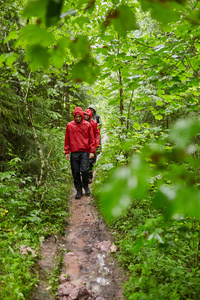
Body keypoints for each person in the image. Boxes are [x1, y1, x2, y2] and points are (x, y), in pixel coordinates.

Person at [64, 107, 95, 199]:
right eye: (76, 117)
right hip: (74, 152)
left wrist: (92, 151)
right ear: (74, 116)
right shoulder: (69, 125)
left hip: (85, 151)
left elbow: (91, 138)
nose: (77, 118)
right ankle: (78, 190)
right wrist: (67, 151)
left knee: (85, 170)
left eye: (79, 116)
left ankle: (85, 186)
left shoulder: (87, 125)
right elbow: (67, 139)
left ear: (81, 116)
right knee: (75, 172)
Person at [84, 109, 100, 182]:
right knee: (84, 162)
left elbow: (97, 134)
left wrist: (96, 144)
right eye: (85, 115)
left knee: (90, 162)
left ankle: (90, 176)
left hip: (91, 145)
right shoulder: (81, 123)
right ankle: (85, 176)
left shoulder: (93, 123)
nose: (86, 116)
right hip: (83, 145)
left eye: (87, 115)